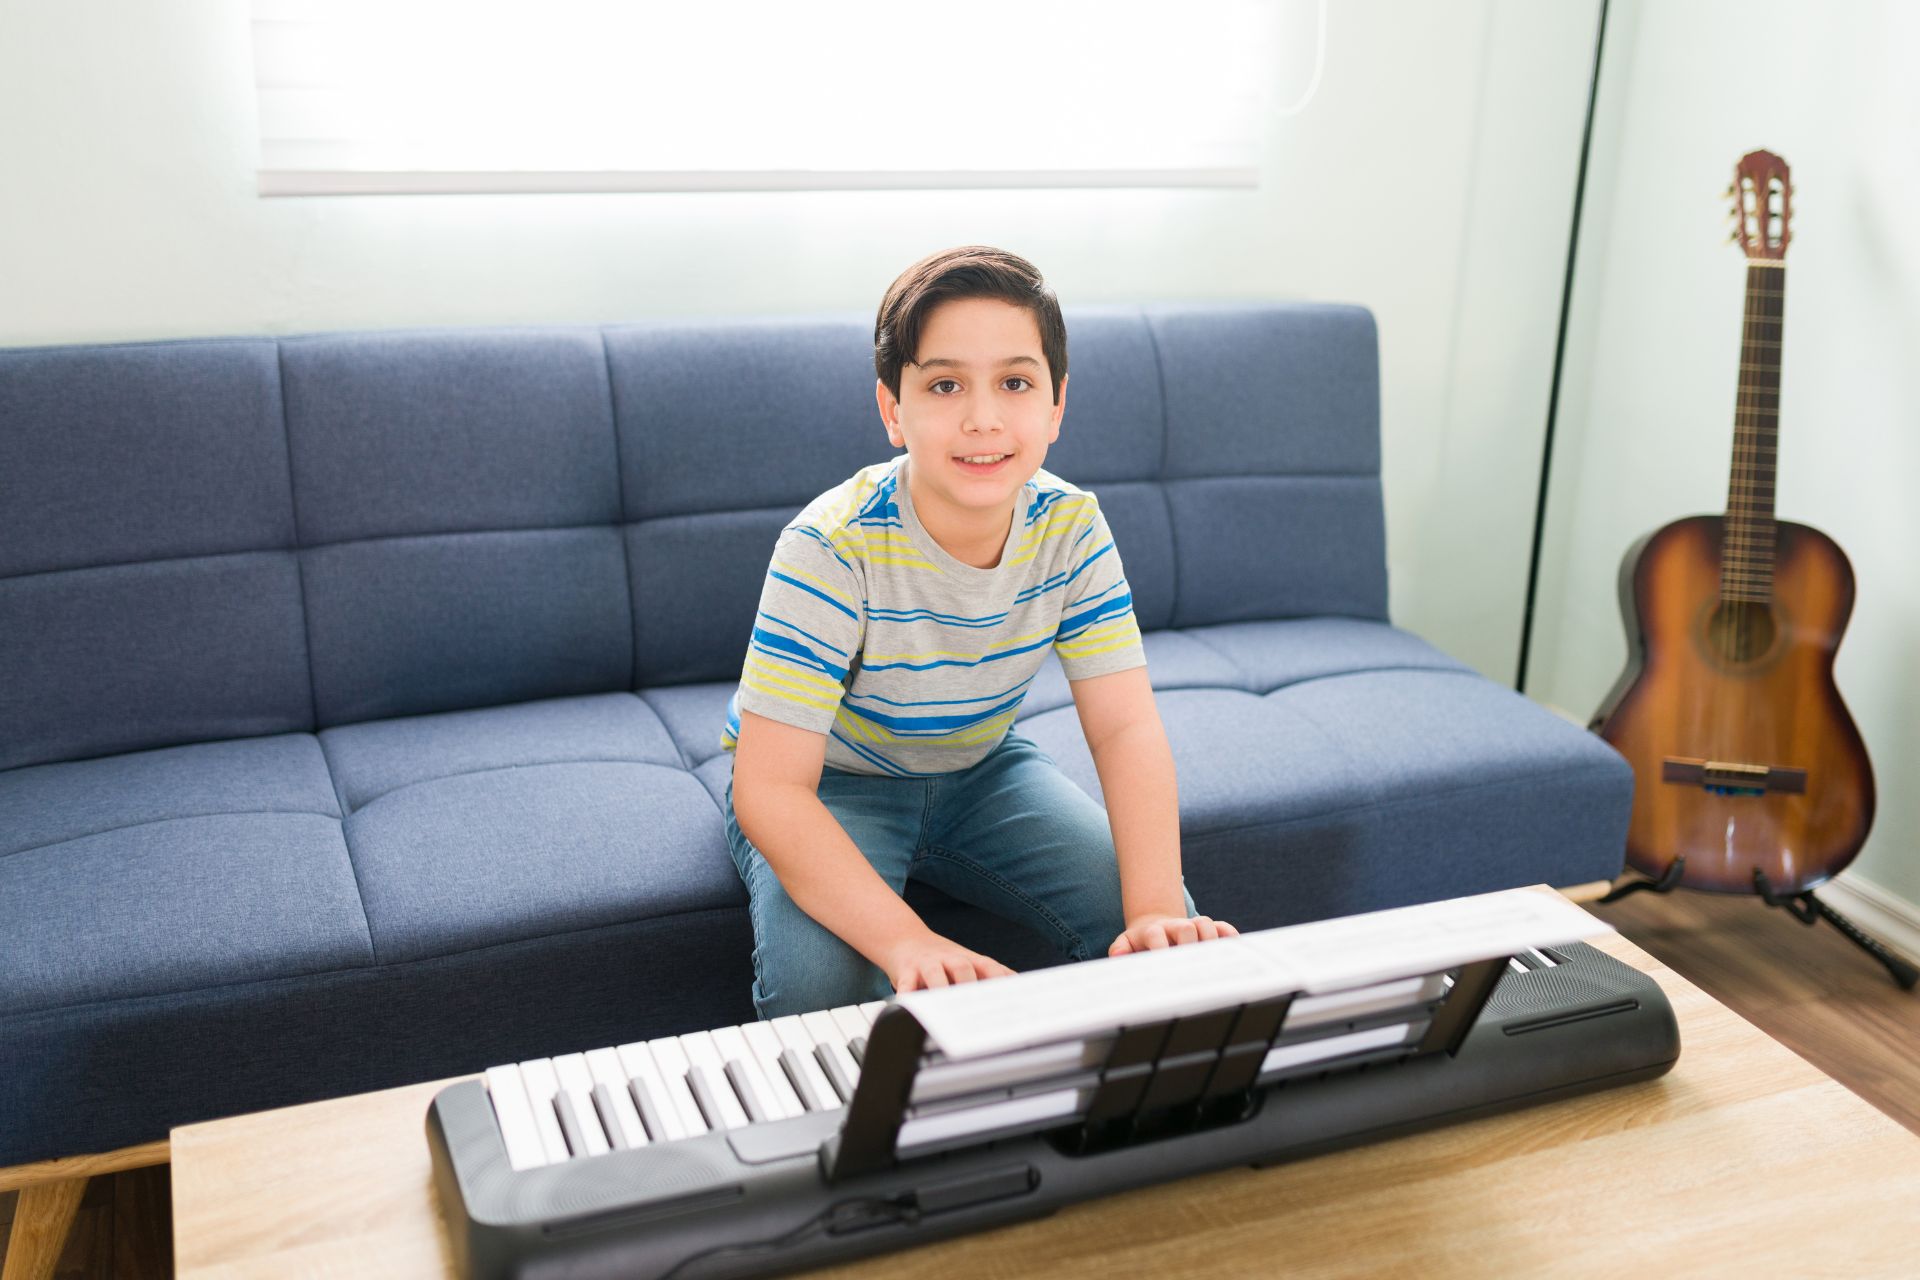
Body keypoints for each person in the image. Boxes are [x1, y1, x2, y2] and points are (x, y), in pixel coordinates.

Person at [721, 245, 1236, 1020]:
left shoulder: (1072, 529)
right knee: (817, 988)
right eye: (945, 384)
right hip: (830, 786)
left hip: (981, 771)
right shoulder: (829, 548)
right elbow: (769, 789)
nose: (983, 417)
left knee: (1161, 935)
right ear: (893, 410)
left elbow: (1126, 727)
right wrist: (909, 942)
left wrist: (1156, 908)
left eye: (1016, 383)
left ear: (1057, 407)